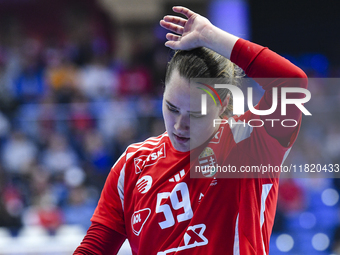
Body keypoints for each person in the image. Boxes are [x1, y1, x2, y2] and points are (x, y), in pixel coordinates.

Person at [74, 6, 307, 255]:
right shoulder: (132, 165)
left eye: (196, 114)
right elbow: (95, 249)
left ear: (224, 105)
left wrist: (209, 35)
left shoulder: (249, 142)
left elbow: (291, 83)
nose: (179, 125)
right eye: (172, 108)